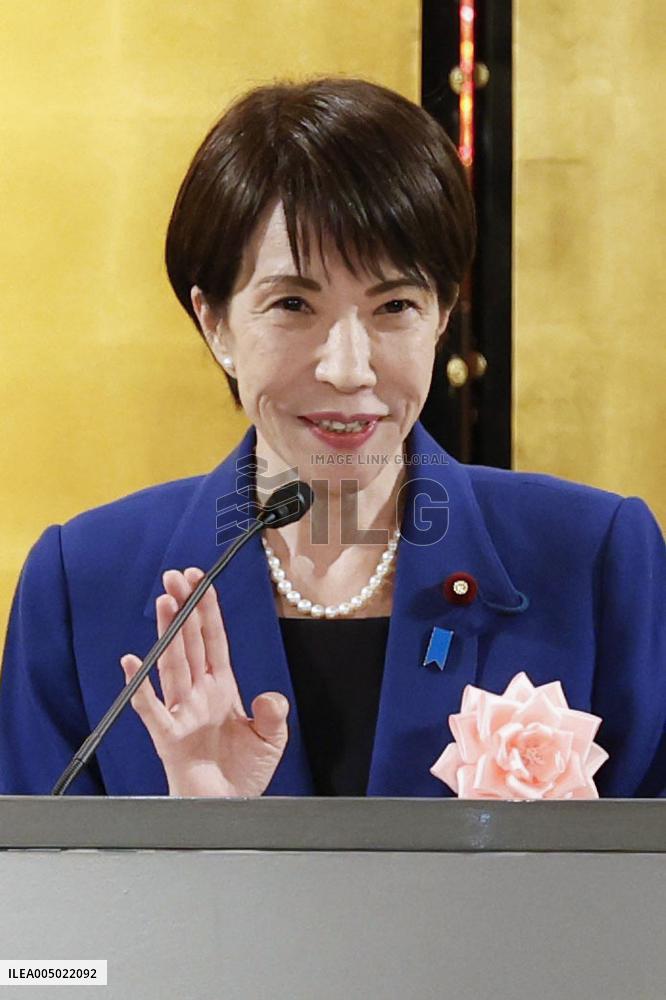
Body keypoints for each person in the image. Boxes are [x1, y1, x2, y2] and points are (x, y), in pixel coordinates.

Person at [0, 78, 664, 799]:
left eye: (395, 306)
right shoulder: (84, 585)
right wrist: (197, 844)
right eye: (293, 304)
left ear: (442, 316)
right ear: (215, 322)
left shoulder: (595, 560)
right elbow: (34, 897)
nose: (348, 368)